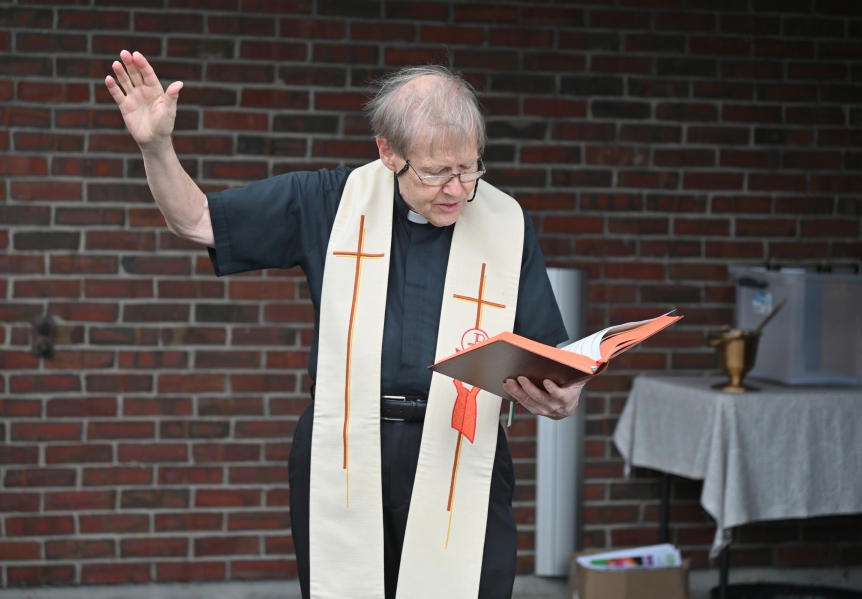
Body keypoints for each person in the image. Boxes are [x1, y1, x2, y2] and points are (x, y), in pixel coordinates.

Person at [105, 50, 584, 599]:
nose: (457, 190)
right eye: (435, 172)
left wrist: (560, 396)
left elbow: (551, 354)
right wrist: (156, 147)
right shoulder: (330, 201)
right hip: (346, 450)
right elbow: (196, 220)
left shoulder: (505, 223)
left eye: (469, 168)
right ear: (387, 152)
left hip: (462, 451)